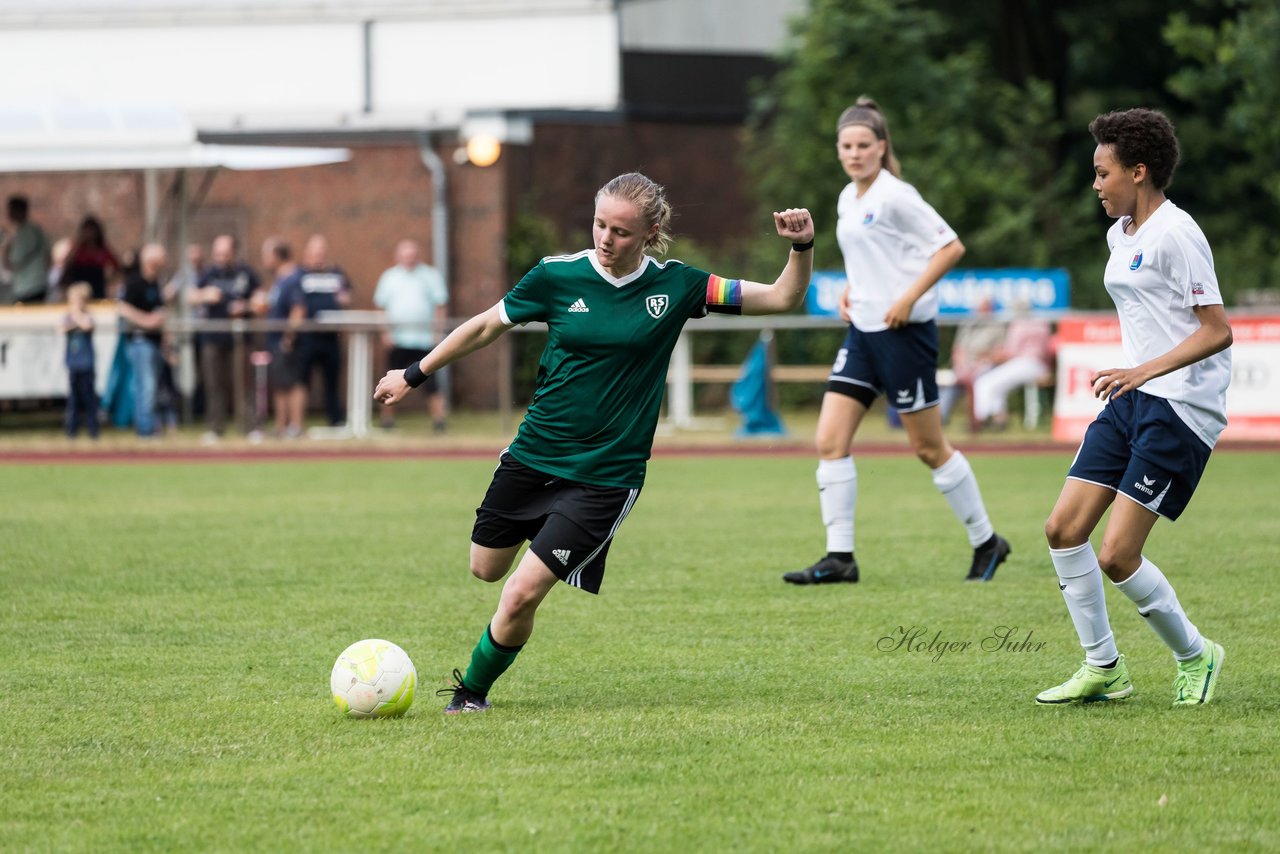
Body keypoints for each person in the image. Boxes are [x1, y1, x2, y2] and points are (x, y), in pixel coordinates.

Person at [374, 172, 815, 713]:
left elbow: (782, 297)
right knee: (485, 568)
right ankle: (548, 529)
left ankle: (471, 693)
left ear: (651, 233)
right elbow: (487, 326)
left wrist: (801, 246)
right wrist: (412, 374)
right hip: (533, 456)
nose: (606, 239)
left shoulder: (680, 286)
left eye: (622, 232)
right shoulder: (557, 277)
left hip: (606, 476)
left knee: (518, 595)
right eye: (600, 225)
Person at [1037, 108, 1232, 707]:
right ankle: (1104, 668)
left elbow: (1217, 331)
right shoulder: (1119, 235)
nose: (1095, 184)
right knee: (1062, 529)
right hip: (1133, 399)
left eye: (1102, 172)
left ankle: (1196, 655)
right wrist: (1134, 378)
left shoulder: (1178, 233)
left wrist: (1140, 371)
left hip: (1179, 407)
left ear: (1138, 171)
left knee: (1118, 555)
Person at [783, 97, 1010, 586]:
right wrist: (851, 289)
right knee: (829, 440)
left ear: (881, 148)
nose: (855, 153)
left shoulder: (896, 195)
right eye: (847, 145)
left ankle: (988, 541)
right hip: (863, 332)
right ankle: (840, 558)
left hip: (904, 335)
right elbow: (870, 256)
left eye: (864, 145)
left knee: (929, 448)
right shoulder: (849, 197)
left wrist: (907, 298)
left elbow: (950, 247)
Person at [374, 239, 449, 432]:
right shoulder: (389, 277)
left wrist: (437, 334)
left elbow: (440, 305)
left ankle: (439, 421)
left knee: (431, 383)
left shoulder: (430, 275)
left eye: (412, 254)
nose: (409, 258)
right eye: (405, 255)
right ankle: (387, 421)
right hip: (398, 340)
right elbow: (380, 307)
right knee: (390, 380)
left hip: (423, 340)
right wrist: (385, 334)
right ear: (398, 256)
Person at [277, 235, 352, 428]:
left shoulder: (336, 273)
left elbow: (347, 295)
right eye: (315, 252)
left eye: (321, 252)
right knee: (301, 381)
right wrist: (291, 335)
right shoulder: (299, 275)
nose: (319, 256)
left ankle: (335, 421)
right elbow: (295, 305)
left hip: (331, 337)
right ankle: (297, 424)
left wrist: (343, 298)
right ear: (307, 254)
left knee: (332, 382)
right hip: (308, 337)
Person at [190, 235, 260, 441]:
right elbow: (189, 296)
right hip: (212, 337)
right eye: (218, 254)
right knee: (213, 384)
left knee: (244, 383)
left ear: (233, 253)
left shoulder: (245, 273)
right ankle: (215, 428)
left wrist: (245, 306)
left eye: (225, 254)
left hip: (239, 338)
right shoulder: (208, 273)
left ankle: (249, 427)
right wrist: (204, 295)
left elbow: (260, 299)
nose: (221, 258)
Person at [971, 300, 1054, 431]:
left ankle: (982, 420)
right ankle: (998, 419)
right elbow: (1048, 349)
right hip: (1040, 366)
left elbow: (1010, 352)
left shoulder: (1018, 324)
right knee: (996, 386)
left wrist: (989, 356)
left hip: (1024, 363)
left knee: (985, 382)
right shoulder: (1042, 324)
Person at [117, 243, 168, 438]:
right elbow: (122, 308)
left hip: (154, 342)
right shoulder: (135, 282)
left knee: (151, 386)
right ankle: (145, 430)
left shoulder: (154, 282)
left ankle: (150, 426)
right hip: (140, 342)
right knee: (145, 385)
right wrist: (146, 321)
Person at [256, 238, 305, 438]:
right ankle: (281, 427)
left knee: (293, 383)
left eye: (267, 255)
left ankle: (295, 426)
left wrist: (289, 337)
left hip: (287, 342)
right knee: (279, 383)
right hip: (275, 341)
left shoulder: (292, 278)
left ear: (277, 256)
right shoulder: (280, 279)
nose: (264, 260)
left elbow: (298, 309)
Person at [940, 295, 1006, 426]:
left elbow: (1000, 353)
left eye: (985, 308)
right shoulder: (968, 324)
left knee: (982, 383)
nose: (981, 311)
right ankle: (939, 417)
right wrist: (962, 366)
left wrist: (982, 361)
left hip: (985, 366)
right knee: (951, 385)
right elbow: (957, 350)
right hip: (965, 366)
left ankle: (981, 420)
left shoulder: (998, 326)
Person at [61, 281, 99, 439]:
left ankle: (93, 431)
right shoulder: (67, 318)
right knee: (73, 400)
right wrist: (73, 318)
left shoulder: (87, 316)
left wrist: (77, 315)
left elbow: (87, 326)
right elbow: (61, 328)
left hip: (87, 364)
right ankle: (71, 432)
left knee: (89, 398)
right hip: (73, 364)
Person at [3, 195, 51, 305]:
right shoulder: (34, 230)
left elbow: (12, 263)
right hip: (32, 284)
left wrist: (7, 246)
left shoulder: (25, 232)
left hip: (29, 287)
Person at [61, 216, 120, 301]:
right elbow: (66, 262)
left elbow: (115, 265)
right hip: (79, 281)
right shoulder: (77, 248)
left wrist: (110, 278)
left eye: (92, 230)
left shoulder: (102, 250)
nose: (89, 234)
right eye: (87, 230)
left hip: (96, 283)